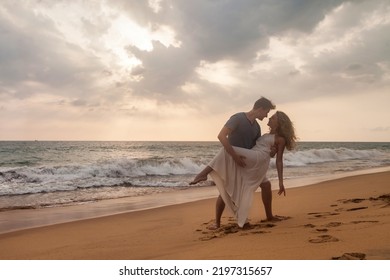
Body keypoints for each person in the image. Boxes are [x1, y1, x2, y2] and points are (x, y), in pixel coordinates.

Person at [191, 111, 297, 228]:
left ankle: (203, 174)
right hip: (253, 158)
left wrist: (281, 182)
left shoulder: (280, 139)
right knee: (260, 185)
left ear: (279, 122)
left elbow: (278, 160)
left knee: (226, 151)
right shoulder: (264, 135)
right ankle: (218, 222)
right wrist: (268, 152)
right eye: (269, 115)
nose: (268, 118)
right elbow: (261, 148)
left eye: (272, 118)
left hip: (257, 158)